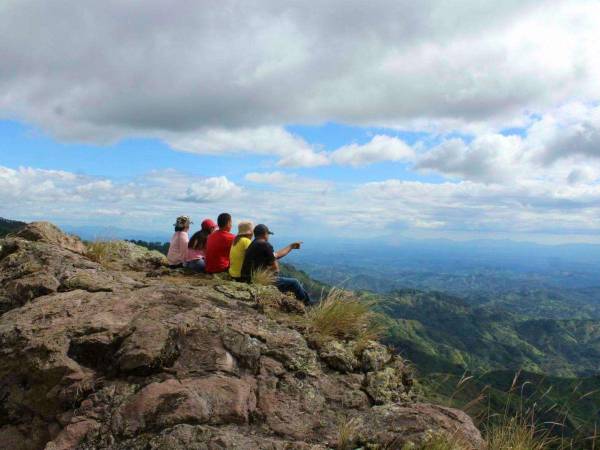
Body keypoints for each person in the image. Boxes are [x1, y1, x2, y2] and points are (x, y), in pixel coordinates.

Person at [241, 224, 311, 304]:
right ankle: (307, 304)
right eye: (268, 234)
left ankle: (308, 302)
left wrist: (291, 246)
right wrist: (270, 271)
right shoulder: (265, 245)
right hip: (257, 282)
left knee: (292, 283)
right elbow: (276, 269)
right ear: (265, 234)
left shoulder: (253, 244)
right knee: (294, 283)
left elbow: (276, 255)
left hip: (248, 279)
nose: (268, 237)